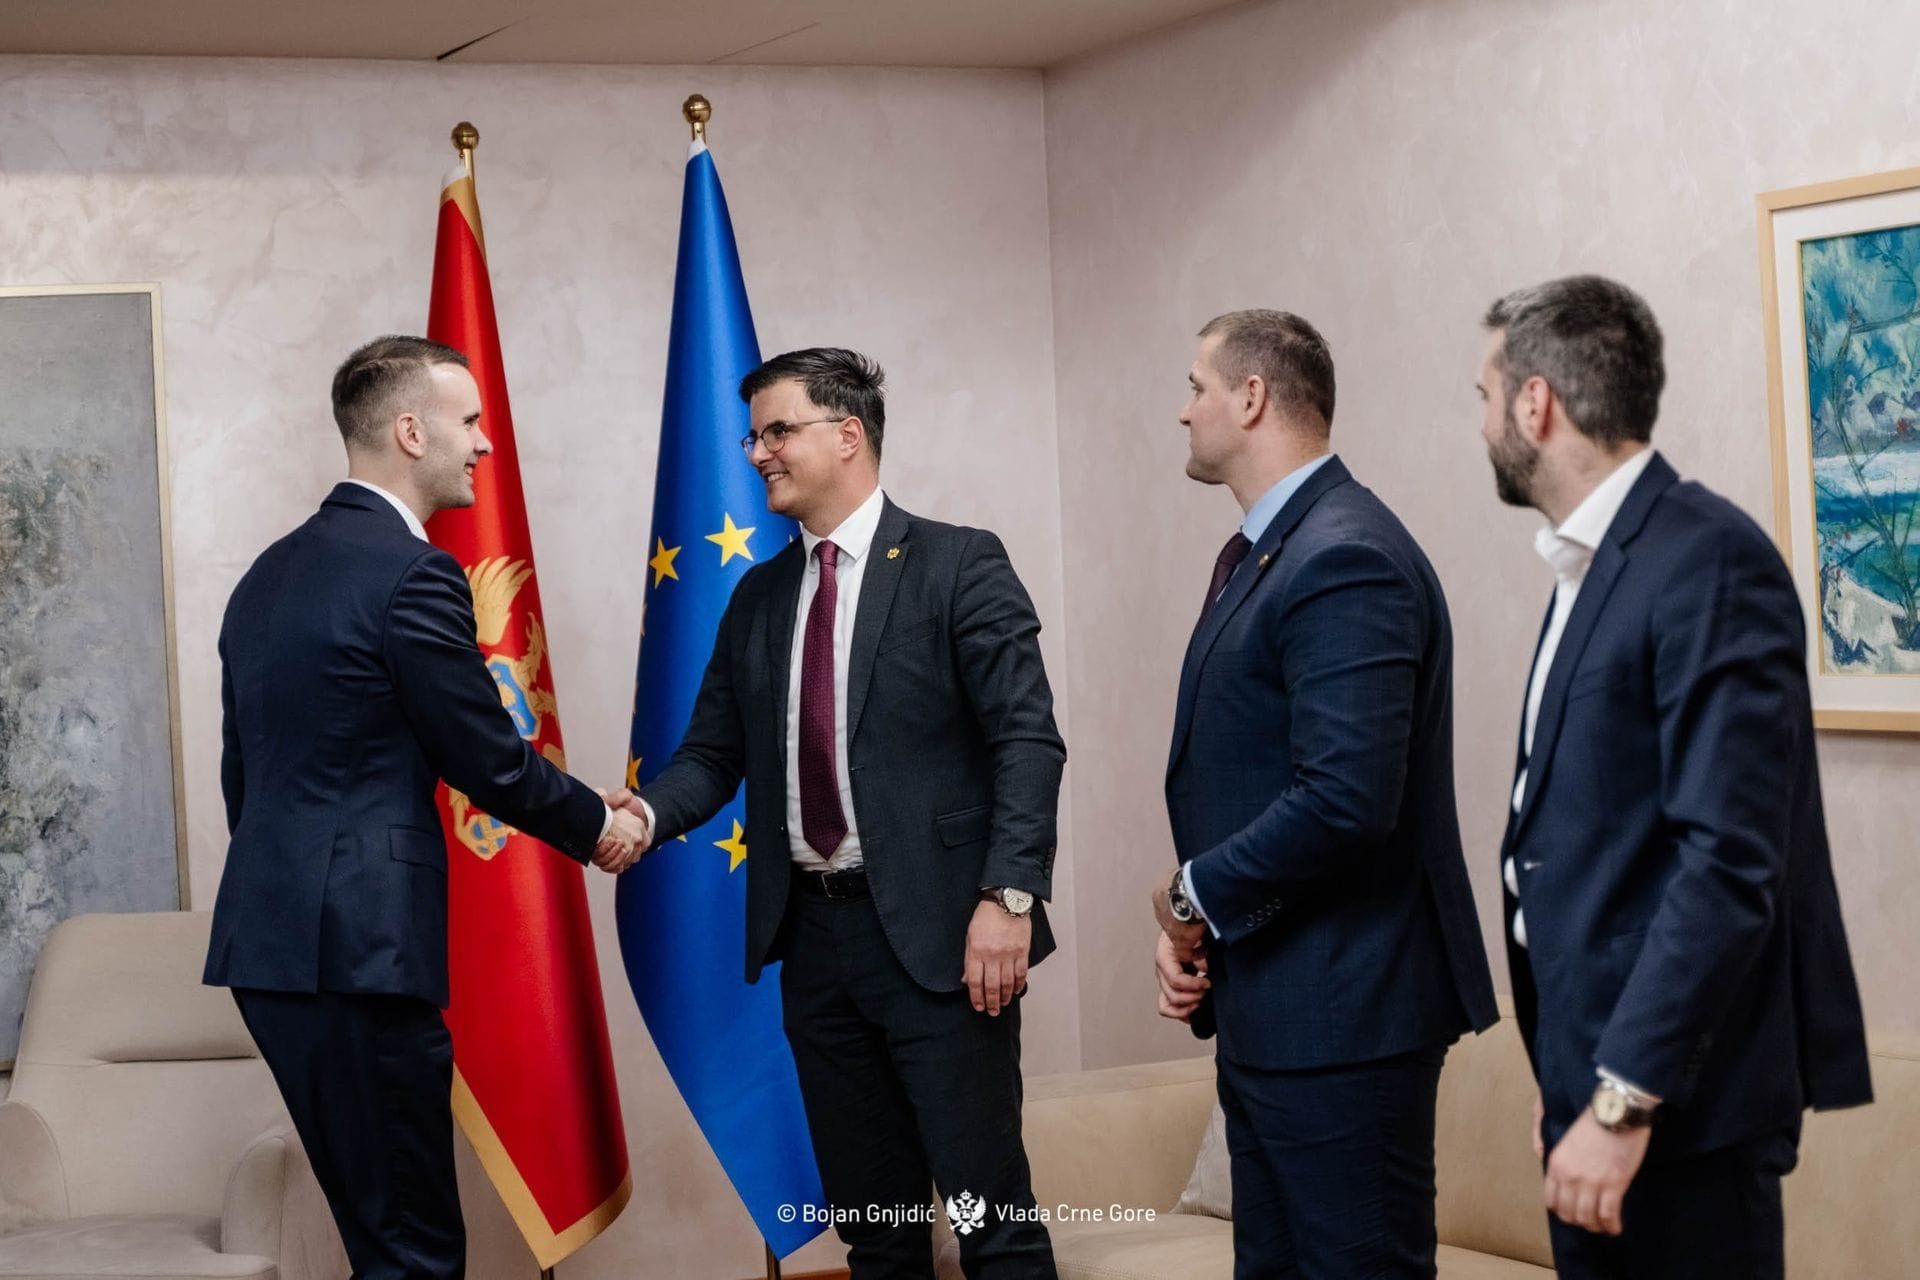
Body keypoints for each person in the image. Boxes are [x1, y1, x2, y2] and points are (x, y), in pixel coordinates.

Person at [609, 347, 1063, 1278]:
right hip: (814, 947)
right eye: (753, 437)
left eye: (778, 431)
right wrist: (645, 818)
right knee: (877, 1235)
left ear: (848, 434)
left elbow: (1028, 741)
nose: (758, 453)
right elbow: (711, 756)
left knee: (993, 1228)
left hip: (946, 941)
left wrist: (1008, 897)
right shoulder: (759, 595)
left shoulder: (957, 563)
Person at [204, 335, 644, 1280]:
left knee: (382, 1235)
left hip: (271, 951)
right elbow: (485, 758)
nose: (484, 443)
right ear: (410, 430)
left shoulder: (263, 578)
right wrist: (599, 826)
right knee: (414, 1249)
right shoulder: (413, 572)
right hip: (360, 952)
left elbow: (246, 780)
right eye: (470, 421)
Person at [1474, 274, 1873, 1278]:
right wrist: (1569, 1077)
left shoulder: (1707, 558)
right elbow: (1597, 850)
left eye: (1485, 395)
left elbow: (1729, 863)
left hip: (1681, 1119)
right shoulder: (1592, 563)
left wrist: (1622, 1097)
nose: (1480, 422)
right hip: (1595, 1086)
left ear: (1535, 402)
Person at [1152, 310, 1497, 1278]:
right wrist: (1203, 925)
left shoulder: (1345, 553)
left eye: (1196, 386)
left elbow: (1346, 798)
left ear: (1252, 397)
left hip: (1348, 1016)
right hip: (1278, 1005)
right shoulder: (1277, 549)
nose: (1183, 411)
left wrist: (1189, 895)